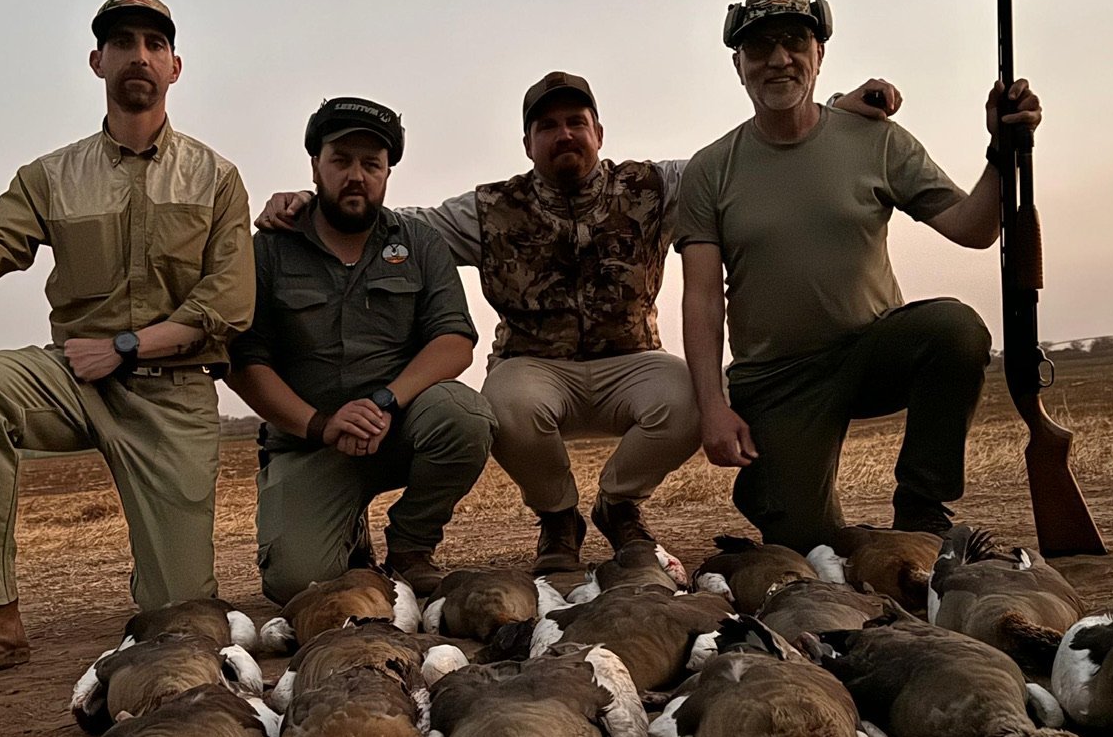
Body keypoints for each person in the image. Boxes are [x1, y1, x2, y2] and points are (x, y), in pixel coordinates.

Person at [259, 71, 901, 574]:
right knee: (501, 403)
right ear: (527, 143)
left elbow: (739, 156)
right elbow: (391, 220)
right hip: (535, 367)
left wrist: (832, 109)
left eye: (576, 122)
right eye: (547, 126)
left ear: (599, 131)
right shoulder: (488, 208)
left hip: (631, 360)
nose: (563, 134)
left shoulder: (657, 185)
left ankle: (618, 505)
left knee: (692, 392)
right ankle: (558, 518)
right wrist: (307, 202)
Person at [0, 0, 254, 688]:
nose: (138, 55)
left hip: (172, 392)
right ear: (96, 60)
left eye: (152, 44)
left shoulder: (218, 177)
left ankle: (164, 600)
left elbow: (226, 305)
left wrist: (128, 346)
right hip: (74, 380)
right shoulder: (50, 175)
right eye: (122, 43)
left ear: (175, 66)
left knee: (183, 619)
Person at [678, 0, 1040, 552]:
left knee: (954, 329)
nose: (779, 59)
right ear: (738, 66)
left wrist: (1001, 148)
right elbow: (700, 298)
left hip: (869, 351)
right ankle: (775, 487)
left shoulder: (877, 139)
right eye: (760, 47)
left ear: (819, 55)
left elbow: (972, 229)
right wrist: (713, 408)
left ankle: (922, 505)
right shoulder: (709, 169)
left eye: (796, 42)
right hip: (777, 379)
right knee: (808, 546)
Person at [229, 97, 492, 601]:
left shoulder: (419, 242)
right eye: (341, 160)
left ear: (388, 171)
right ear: (314, 166)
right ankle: (346, 534)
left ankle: (412, 548)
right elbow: (243, 363)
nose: (356, 175)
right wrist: (322, 424)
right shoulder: (265, 250)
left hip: (398, 428)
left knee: (467, 416)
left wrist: (384, 402)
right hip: (309, 444)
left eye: (371, 163)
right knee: (297, 585)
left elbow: (455, 342)